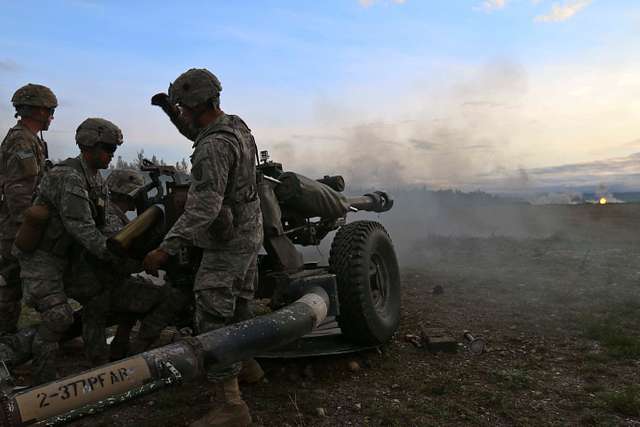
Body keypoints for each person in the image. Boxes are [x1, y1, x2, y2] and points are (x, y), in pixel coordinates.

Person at [144, 68, 263, 427]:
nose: (183, 113)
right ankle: (248, 367)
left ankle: (231, 405)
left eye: (183, 107)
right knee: (240, 303)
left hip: (227, 244)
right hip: (248, 234)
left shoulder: (212, 147)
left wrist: (165, 248)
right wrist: (170, 112)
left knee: (212, 313)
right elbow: (198, 130)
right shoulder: (235, 126)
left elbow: (203, 208)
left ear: (195, 105)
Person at [15, 117, 122, 384]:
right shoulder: (68, 177)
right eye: (108, 148)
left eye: (114, 149)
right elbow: (81, 227)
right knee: (58, 317)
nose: (111, 154)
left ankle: (99, 361)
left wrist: (124, 246)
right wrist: (112, 254)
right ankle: (43, 382)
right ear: (89, 145)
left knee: (99, 300)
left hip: (69, 257)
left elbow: (106, 222)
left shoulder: (96, 179)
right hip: (43, 257)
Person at [0, 84, 57, 335]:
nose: (51, 116)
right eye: (49, 110)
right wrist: (29, 227)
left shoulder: (29, 139)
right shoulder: (21, 139)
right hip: (18, 227)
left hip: (21, 224)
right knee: (10, 286)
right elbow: (18, 191)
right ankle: (5, 343)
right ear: (38, 112)